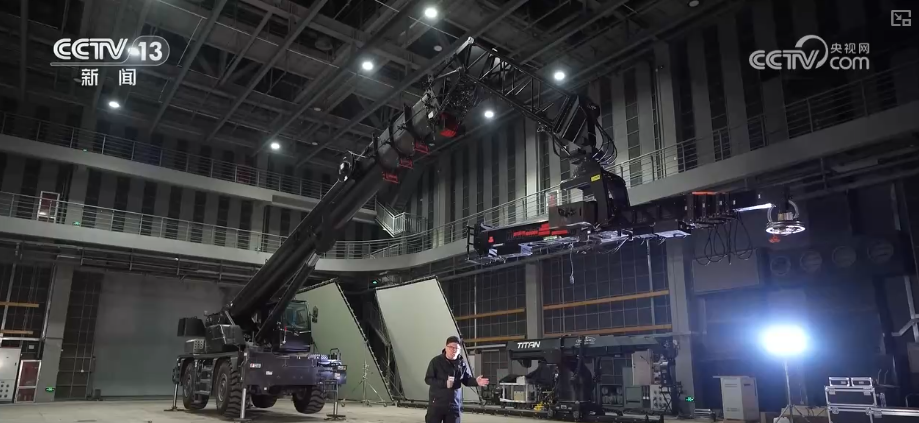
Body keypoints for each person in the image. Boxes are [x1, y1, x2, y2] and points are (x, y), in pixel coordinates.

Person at [424, 336, 489, 423]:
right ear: (446, 347)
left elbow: (466, 379)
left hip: (454, 405)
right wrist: (445, 383)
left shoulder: (461, 363)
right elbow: (428, 379)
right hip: (436, 404)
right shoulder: (436, 361)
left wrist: (476, 382)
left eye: (456, 348)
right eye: (451, 347)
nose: (454, 350)